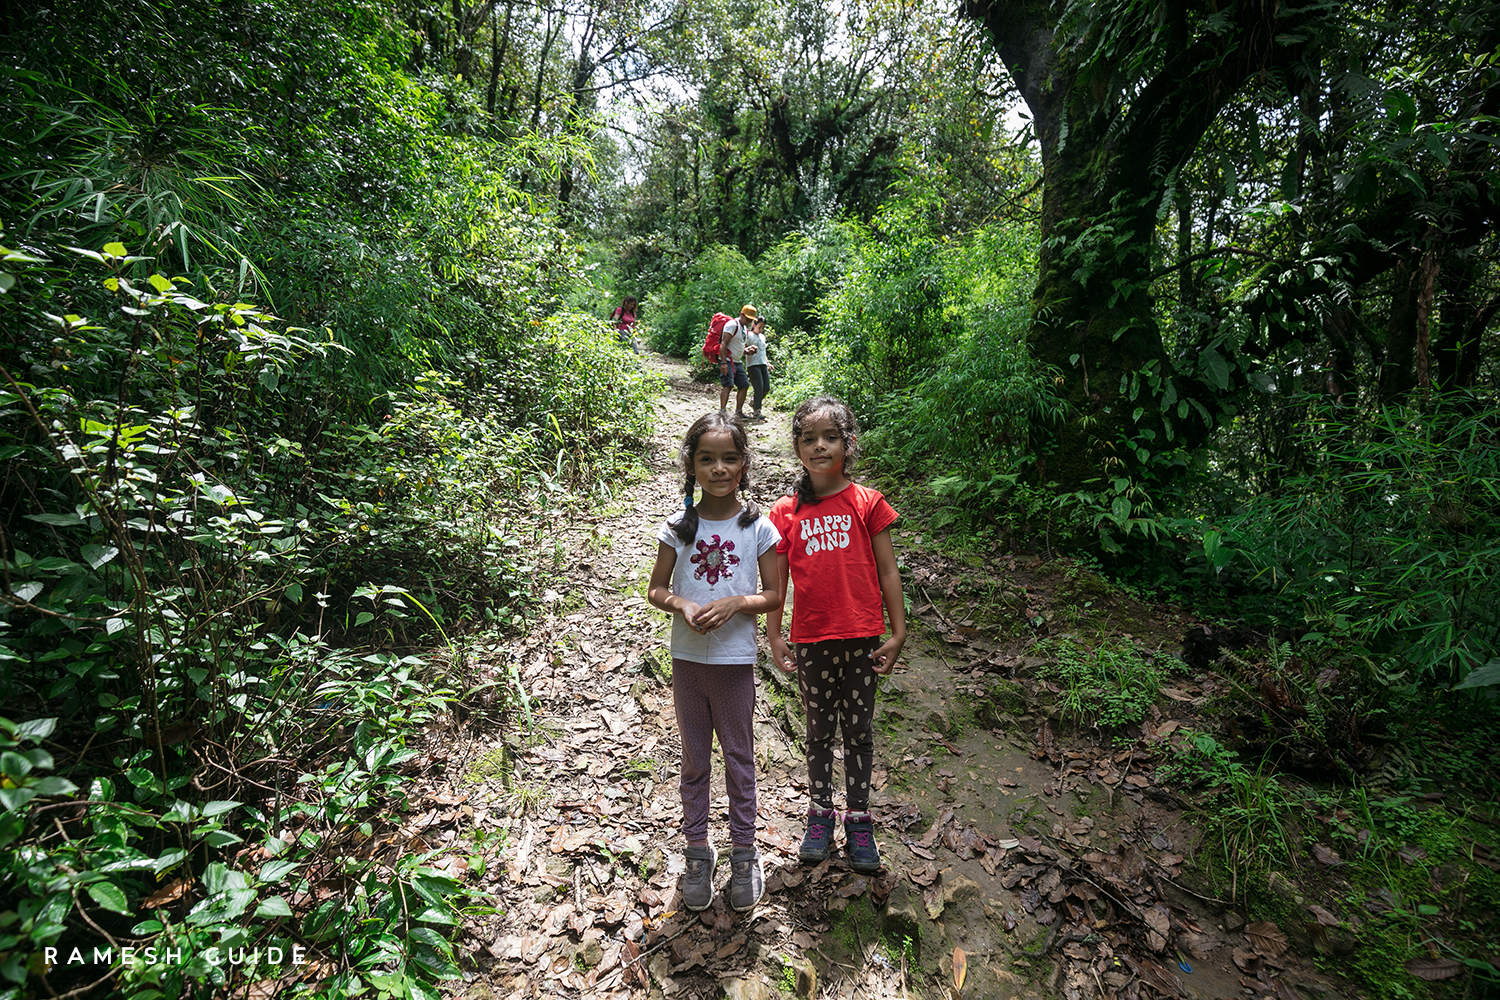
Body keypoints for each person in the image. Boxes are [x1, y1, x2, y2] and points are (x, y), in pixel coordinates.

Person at [647, 411, 781, 912]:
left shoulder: (758, 528)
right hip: (687, 661)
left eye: (729, 458)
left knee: (740, 759)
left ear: (744, 464)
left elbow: (772, 594)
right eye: (707, 459)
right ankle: (698, 852)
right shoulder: (679, 527)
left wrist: (735, 603)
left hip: (734, 664)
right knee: (695, 761)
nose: (719, 468)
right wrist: (681, 603)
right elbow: (656, 588)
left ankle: (744, 852)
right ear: (692, 465)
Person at [766, 397, 905, 874]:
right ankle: (821, 815)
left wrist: (899, 630)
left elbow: (888, 572)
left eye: (831, 437)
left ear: (849, 443)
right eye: (809, 438)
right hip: (812, 640)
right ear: (797, 447)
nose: (820, 446)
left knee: (859, 731)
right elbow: (777, 581)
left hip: (863, 637)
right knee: (820, 731)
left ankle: (860, 819)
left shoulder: (868, 503)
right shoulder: (785, 512)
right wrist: (775, 630)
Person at [717, 305, 755, 417]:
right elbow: (723, 343)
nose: (748, 321)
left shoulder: (744, 328)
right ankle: (722, 411)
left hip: (737, 362)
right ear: (741, 314)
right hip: (728, 360)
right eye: (747, 318)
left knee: (744, 385)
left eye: (750, 319)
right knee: (727, 385)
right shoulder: (732, 324)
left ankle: (738, 412)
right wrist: (723, 362)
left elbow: (738, 347)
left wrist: (748, 351)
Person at [743, 317, 771, 421]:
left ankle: (754, 401)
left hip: (762, 364)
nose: (761, 329)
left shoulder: (762, 336)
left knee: (766, 387)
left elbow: (763, 352)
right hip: (753, 364)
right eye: (759, 327)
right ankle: (757, 411)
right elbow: (743, 348)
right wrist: (748, 350)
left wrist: (768, 362)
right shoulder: (748, 335)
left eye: (763, 328)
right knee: (758, 388)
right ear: (754, 325)